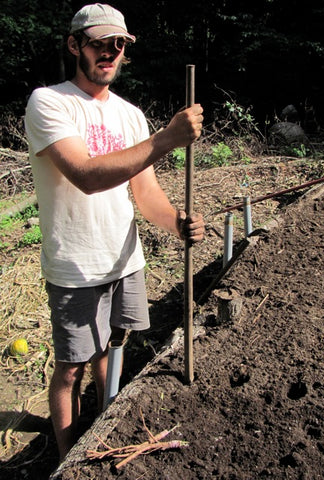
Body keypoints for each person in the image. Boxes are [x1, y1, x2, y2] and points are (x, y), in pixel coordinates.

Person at [24, 3, 204, 462]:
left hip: (124, 259)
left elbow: (144, 192)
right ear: (74, 45)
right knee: (70, 369)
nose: (110, 52)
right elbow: (84, 173)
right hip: (75, 264)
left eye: (119, 44)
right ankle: (68, 458)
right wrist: (165, 139)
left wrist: (176, 222)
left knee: (112, 352)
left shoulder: (130, 115)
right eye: (100, 42)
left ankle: (105, 430)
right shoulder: (50, 102)